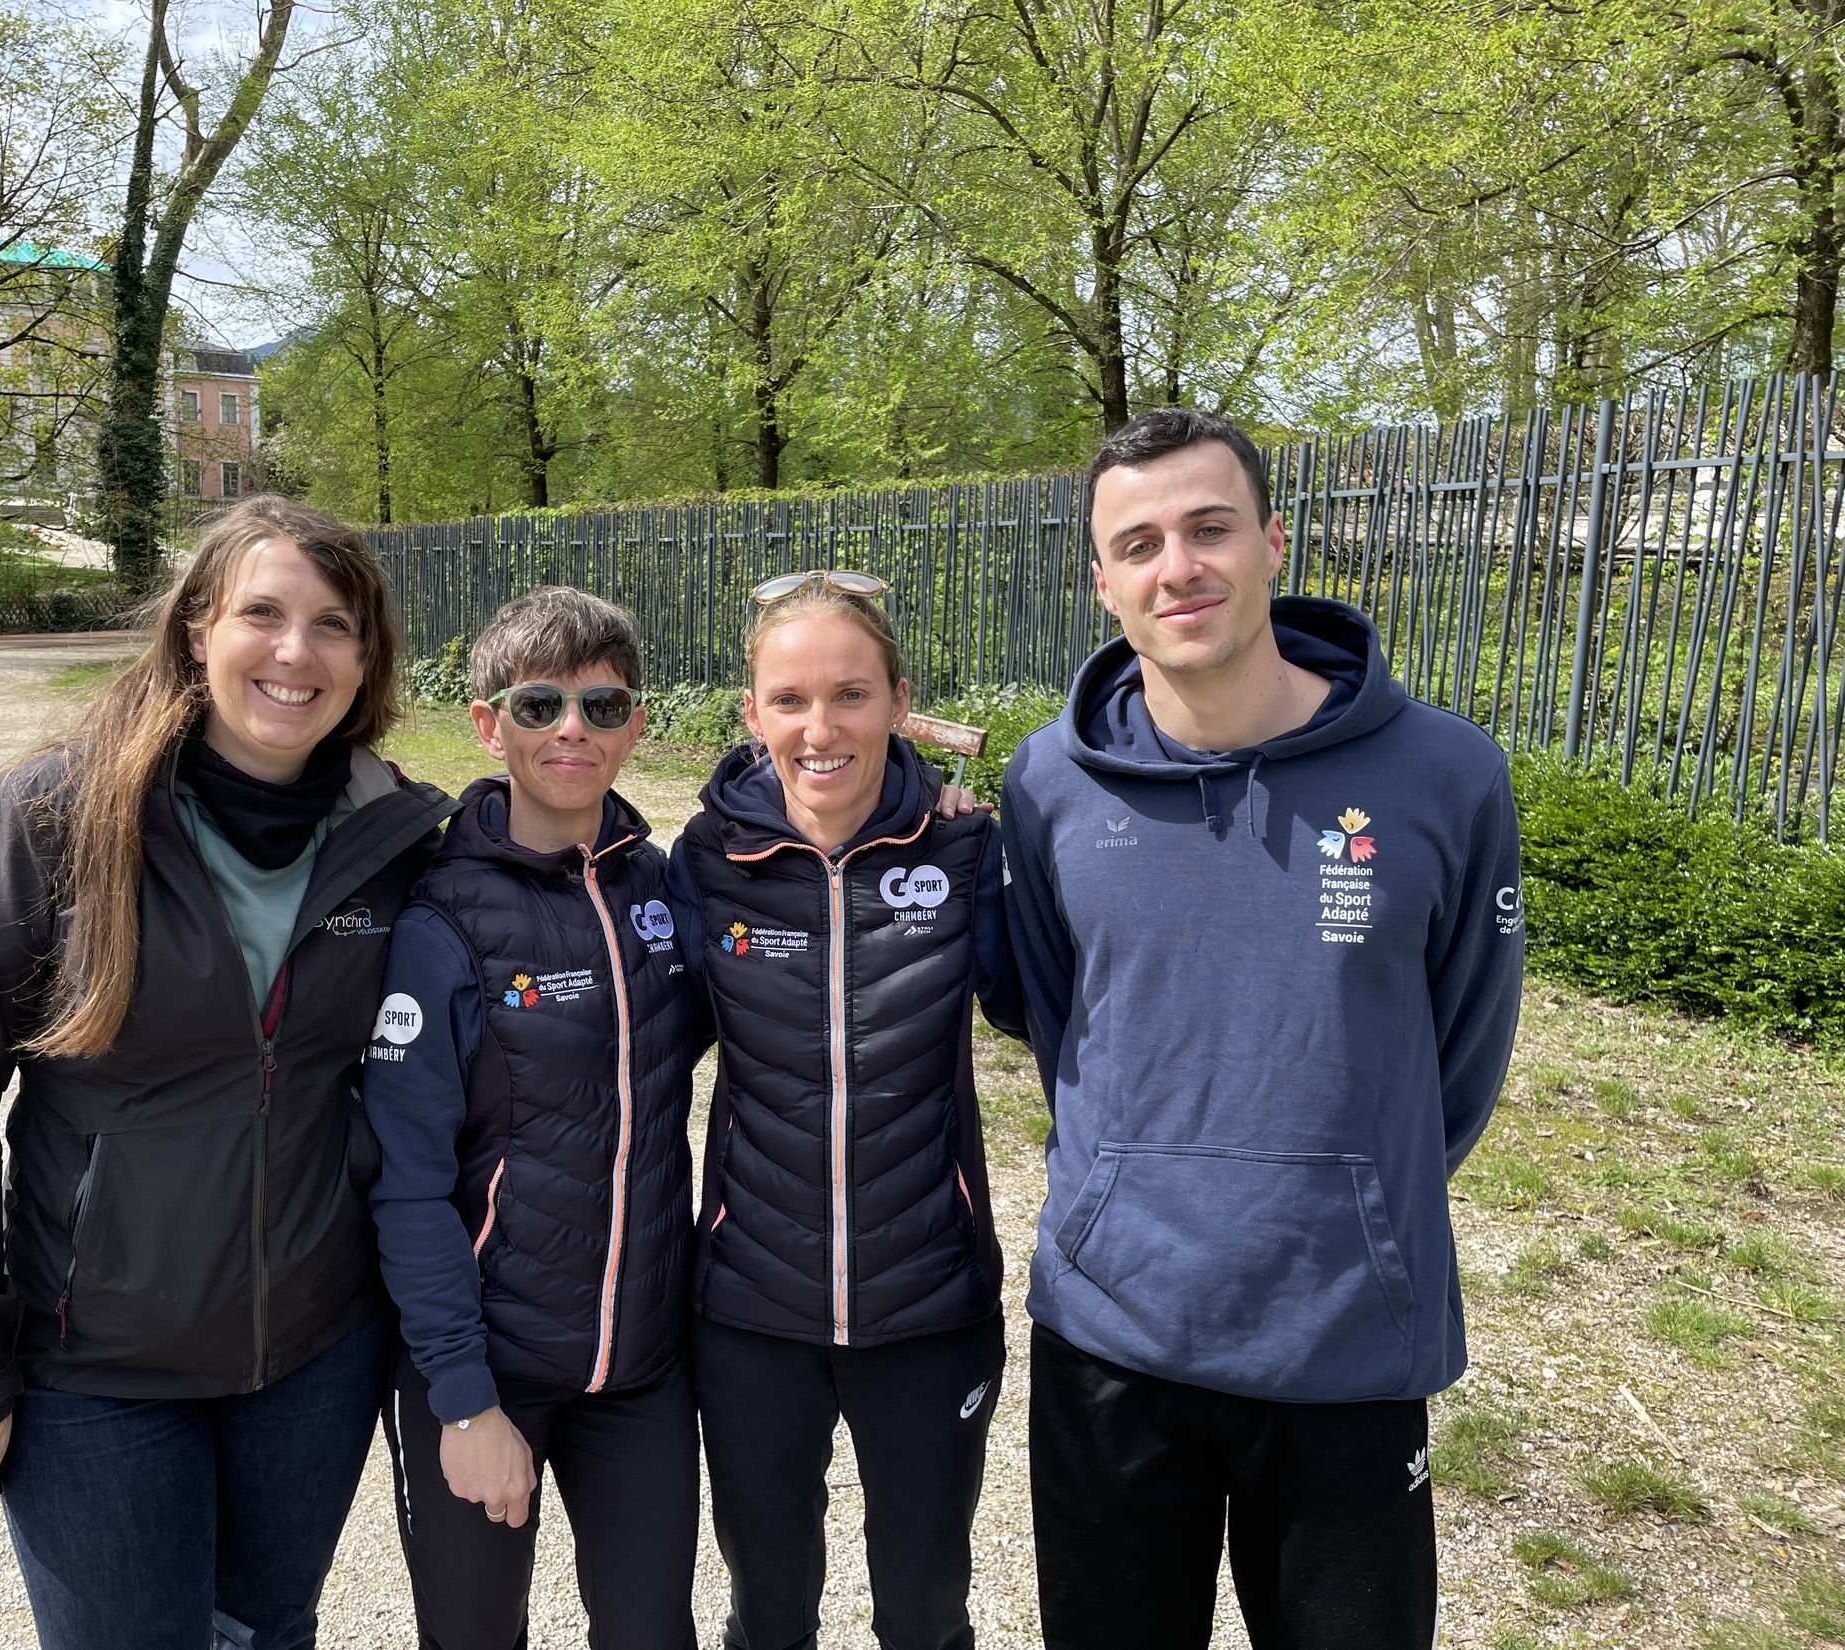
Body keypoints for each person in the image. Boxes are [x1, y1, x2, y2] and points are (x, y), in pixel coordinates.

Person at [0, 496, 455, 1650]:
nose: (298, 652)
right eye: (264, 614)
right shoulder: (53, 814)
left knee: (271, 1632)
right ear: (195, 628)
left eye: (335, 624)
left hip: (313, 1354)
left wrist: (919, 812)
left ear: (368, 655)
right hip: (95, 1366)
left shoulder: (393, 839)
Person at [998, 408, 1525, 1649]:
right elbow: (1059, 1022)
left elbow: (1459, 1049)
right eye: (1138, 543)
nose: (1176, 567)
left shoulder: (1445, 775)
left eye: (1208, 528)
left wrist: (1346, 1195)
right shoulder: (1048, 785)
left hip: (1343, 1336)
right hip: (1112, 1338)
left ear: (1273, 542)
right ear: (1102, 579)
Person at [666, 569, 1026, 1650]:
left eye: (851, 694)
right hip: (749, 1310)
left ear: (899, 700)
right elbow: (626, 1054)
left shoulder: (966, 850)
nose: (819, 728)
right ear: (752, 714)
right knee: (767, 1611)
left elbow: (1060, 1017)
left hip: (929, 1306)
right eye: (789, 699)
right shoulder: (705, 863)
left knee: (923, 1610)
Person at [363, 587, 704, 1650]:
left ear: (636, 722)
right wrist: (462, 1403)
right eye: (539, 704)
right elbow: (407, 1182)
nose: (572, 730)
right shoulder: (438, 917)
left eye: (604, 707)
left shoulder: (665, 889)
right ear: (486, 724)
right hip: (481, 1370)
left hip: (638, 1370)